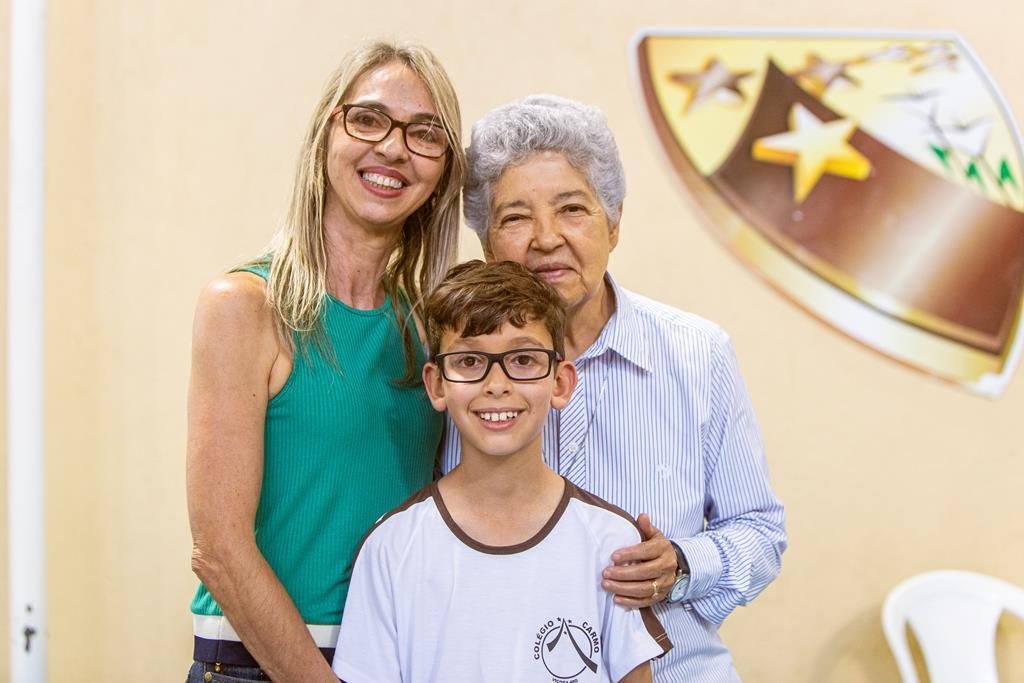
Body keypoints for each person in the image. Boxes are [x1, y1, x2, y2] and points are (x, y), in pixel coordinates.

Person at [441, 95, 787, 681]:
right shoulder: (454, 370)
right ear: (487, 245)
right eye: (516, 217)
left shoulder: (697, 354)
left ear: (615, 224)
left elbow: (760, 530)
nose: (546, 238)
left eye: (572, 209)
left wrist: (682, 565)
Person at [186, 40, 465, 682]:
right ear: (325, 134)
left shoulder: (431, 329)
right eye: (368, 119)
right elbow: (219, 549)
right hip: (260, 665)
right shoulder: (244, 306)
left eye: (425, 134)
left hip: (403, 659)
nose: (393, 148)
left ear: (443, 174)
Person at [333, 260, 672, 682]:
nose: (497, 384)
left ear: (561, 383)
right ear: (436, 384)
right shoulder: (392, 548)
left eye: (524, 359)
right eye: (470, 360)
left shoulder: (611, 542)